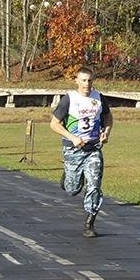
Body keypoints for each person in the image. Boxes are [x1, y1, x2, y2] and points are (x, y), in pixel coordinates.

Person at [49, 66, 113, 238]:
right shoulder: (69, 99)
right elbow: (54, 124)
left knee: (94, 185)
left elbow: (108, 117)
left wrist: (106, 132)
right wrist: (72, 137)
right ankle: (68, 177)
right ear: (76, 81)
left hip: (93, 149)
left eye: (90, 80)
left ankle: (89, 224)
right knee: (72, 189)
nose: (87, 84)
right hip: (73, 149)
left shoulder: (99, 98)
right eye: (83, 80)